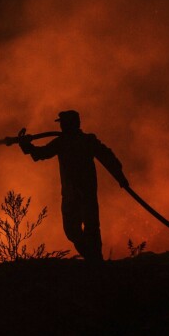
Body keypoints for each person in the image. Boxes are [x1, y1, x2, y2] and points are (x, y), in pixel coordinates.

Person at [17, 110, 129, 262]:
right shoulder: (67, 142)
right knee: (78, 230)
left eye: (63, 123)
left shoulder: (78, 141)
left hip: (80, 193)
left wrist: (120, 177)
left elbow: (106, 157)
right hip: (75, 193)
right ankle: (94, 259)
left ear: (69, 124)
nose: (62, 126)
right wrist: (26, 145)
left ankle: (95, 261)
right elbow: (40, 154)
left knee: (86, 229)